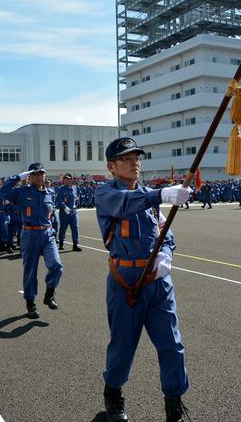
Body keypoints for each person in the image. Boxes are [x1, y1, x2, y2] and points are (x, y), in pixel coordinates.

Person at [95, 137, 191, 422]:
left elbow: (164, 230)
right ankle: (114, 398)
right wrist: (161, 195)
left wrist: (165, 252)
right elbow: (124, 205)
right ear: (111, 166)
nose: (135, 162)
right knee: (123, 346)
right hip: (126, 282)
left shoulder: (150, 196)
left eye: (137, 157)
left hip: (158, 283)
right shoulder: (105, 194)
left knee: (172, 345)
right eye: (127, 158)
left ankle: (174, 405)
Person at [0, 163, 62, 319]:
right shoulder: (21, 192)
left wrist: (53, 231)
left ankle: (49, 294)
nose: (40, 176)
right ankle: (30, 303)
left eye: (42, 174)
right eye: (36, 174)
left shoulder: (50, 193)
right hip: (30, 234)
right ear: (30, 176)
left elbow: (51, 215)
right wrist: (19, 177)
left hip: (47, 234)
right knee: (30, 270)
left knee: (56, 265)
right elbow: (3, 191)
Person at [56, 173, 82, 251]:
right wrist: (64, 207)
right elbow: (59, 200)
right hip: (64, 212)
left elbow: (77, 197)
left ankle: (75, 244)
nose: (66, 180)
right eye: (65, 179)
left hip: (73, 212)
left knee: (75, 228)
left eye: (67, 179)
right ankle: (61, 243)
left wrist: (76, 204)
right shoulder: (61, 189)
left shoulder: (75, 188)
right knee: (63, 228)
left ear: (71, 180)